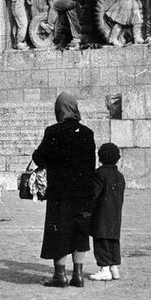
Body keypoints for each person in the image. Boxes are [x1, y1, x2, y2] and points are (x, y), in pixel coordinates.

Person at [32, 92, 96, 288]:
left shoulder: (53, 132)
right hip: (83, 192)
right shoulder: (87, 133)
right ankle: (78, 275)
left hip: (60, 192)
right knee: (80, 232)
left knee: (58, 232)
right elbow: (91, 164)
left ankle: (60, 275)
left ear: (58, 110)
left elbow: (39, 158)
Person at [88, 142, 125, 282]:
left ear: (100, 157)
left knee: (101, 241)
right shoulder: (119, 176)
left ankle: (104, 269)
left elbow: (93, 195)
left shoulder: (99, 174)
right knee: (113, 240)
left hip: (101, 215)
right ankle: (114, 267)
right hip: (115, 214)